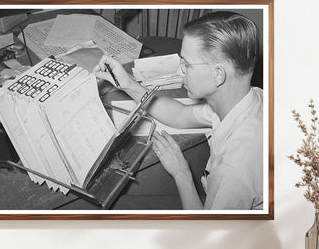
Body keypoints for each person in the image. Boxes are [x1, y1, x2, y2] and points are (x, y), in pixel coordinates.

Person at [93, 11, 263, 210]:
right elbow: (180, 115)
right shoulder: (247, 99)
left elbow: (208, 235)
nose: (179, 71)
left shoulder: (235, 170)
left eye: (187, 65)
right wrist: (129, 85)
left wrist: (181, 173)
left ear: (218, 74)